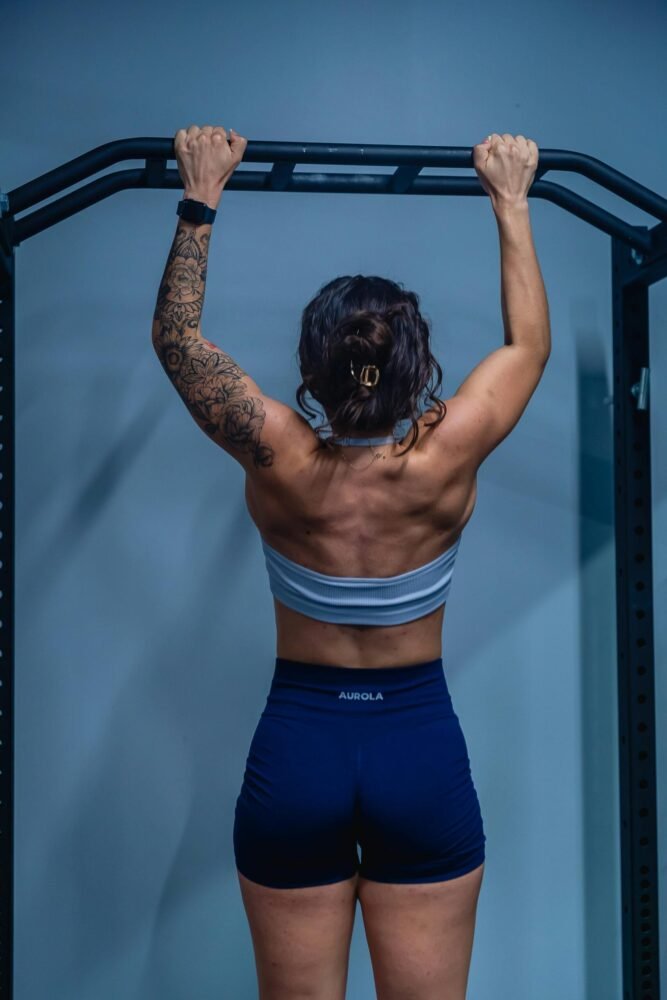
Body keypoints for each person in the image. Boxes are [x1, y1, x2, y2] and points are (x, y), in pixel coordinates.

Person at [154, 127, 549, 999]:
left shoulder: (277, 456)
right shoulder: (449, 457)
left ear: (310, 366)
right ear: (415, 372)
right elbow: (526, 348)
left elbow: (178, 341)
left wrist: (202, 195)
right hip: (418, 751)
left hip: (300, 754)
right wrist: (510, 202)